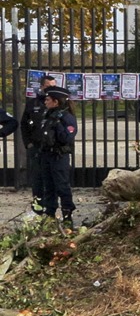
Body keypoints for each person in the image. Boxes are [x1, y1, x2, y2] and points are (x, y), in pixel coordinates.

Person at [37, 85, 78, 230]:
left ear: (56, 101)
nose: (45, 102)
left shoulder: (66, 117)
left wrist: (58, 124)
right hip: (47, 155)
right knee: (48, 187)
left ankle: (67, 215)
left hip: (59, 156)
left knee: (62, 186)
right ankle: (50, 215)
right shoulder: (47, 115)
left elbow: (67, 137)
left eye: (48, 99)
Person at [20, 73, 56, 213]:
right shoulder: (33, 103)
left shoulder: (58, 103)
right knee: (37, 180)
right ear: (41, 87)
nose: (50, 90)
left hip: (52, 149)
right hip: (36, 148)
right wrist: (28, 143)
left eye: (53, 87)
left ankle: (51, 211)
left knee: (53, 179)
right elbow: (24, 124)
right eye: (48, 87)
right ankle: (37, 210)